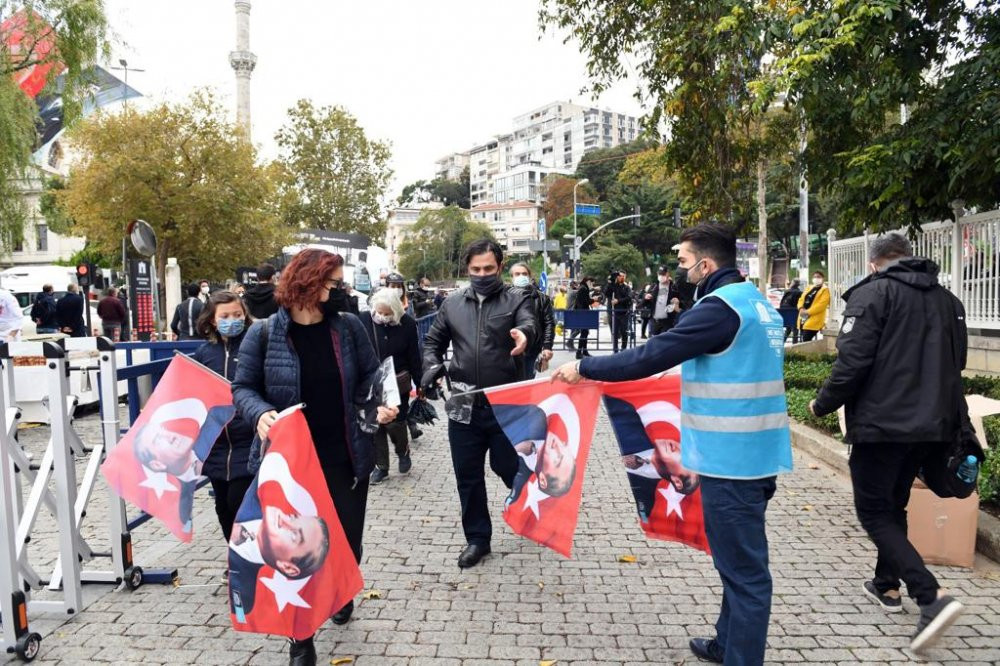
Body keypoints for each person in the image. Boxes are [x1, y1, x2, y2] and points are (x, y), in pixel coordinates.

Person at [553, 223, 792, 666]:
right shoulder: (757, 303)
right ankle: (727, 642)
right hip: (758, 455)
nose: (680, 270)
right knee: (734, 562)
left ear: (706, 263)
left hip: (729, 461)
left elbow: (650, 354)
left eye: (684, 262)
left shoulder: (719, 309)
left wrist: (586, 366)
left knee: (746, 575)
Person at [232, 248, 397, 665]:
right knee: (295, 553)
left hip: (344, 455)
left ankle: (340, 591)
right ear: (307, 283)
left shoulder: (349, 329)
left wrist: (379, 405)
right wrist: (260, 413)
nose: (339, 291)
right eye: (332, 284)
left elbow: (370, 377)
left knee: (346, 544)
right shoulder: (265, 333)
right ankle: (301, 637)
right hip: (289, 465)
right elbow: (243, 388)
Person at [808, 233, 966, 654]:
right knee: (894, 505)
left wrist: (821, 404)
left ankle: (930, 596)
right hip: (932, 426)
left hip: (883, 426)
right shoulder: (948, 300)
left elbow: (852, 361)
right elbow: (958, 363)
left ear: (874, 262)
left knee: (875, 512)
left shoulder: (874, 294)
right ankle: (886, 585)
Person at [421, 239, 535, 569]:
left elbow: (529, 323)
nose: (482, 274)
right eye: (475, 269)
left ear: (500, 267)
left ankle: (529, 502)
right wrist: (431, 367)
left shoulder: (516, 298)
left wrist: (524, 336)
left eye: (488, 268)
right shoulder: (452, 303)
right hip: (463, 403)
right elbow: (433, 341)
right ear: (467, 269)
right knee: (467, 476)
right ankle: (477, 539)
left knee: (506, 466)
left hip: (505, 404)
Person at [192, 291, 255, 570]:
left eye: (237, 315)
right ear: (213, 321)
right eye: (225, 316)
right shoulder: (205, 352)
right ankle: (236, 556)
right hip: (217, 443)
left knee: (239, 501)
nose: (233, 320)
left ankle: (248, 560)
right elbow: (193, 391)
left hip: (248, 439)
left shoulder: (255, 345)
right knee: (223, 507)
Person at [359, 288, 422, 484]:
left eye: (387, 313)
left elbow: (414, 355)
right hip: (372, 381)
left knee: (396, 421)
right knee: (376, 423)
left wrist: (420, 384)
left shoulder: (407, 324)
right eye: (380, 312)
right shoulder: (364, 320)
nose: (383, 317)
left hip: (398, 380)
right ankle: (381, 466)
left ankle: (402, 450)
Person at [509, 262, 554, 378]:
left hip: (532, 349)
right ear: (511, 277)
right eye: (517, 274)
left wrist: (547, 347)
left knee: (526, 382)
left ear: (529, 276)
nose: (521, 277)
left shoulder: (542, 298)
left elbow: (549, 323)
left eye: (524, 274)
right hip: (509, 350)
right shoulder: (504, 296)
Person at [797, 270, 829, 342]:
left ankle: (805, 353)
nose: (816, 278)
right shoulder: (809, 287)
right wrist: (801, 308)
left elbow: (821, 305)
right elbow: (801, 299)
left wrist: (807, 312)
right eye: (814, 277)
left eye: (818, 277)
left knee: (806, 339)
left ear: (823, 278)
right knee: (803, 341)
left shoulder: (825, 290)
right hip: (803, 318)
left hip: (814, 319)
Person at [605, 270, 632, 352]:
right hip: (615, 313)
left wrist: (618, 301)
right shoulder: (614, 286)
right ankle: (615, 349)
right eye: (620, 276)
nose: (622, 277)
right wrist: (610, 282)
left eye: (623, 276)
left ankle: (624, 348)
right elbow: (607, 293)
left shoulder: (627, 287)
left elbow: (629, 298)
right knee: (615, 332)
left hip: (624, 312)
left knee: (624, 331)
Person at [650, 268, 681, 336]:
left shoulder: (673, 287)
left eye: (663, 274)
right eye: (660, 274)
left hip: (668, 321)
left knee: (664, 339)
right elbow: (650, 299)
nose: (661, 276)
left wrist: (677, 303)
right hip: (655, 320)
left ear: (667, 274)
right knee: (654, 341)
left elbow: (679, 299)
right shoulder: (655, 286)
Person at [571, 277, 596, 359]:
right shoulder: (584, 288)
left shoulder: (583, 287)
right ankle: (579, 352)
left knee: (585, 333)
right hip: (583, 313)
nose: (592, 285)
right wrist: (594, 300)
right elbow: (585, 301)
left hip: (582, 313)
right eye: (591, 283)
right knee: (584, 333)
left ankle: (584, 351)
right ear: (588, 281)